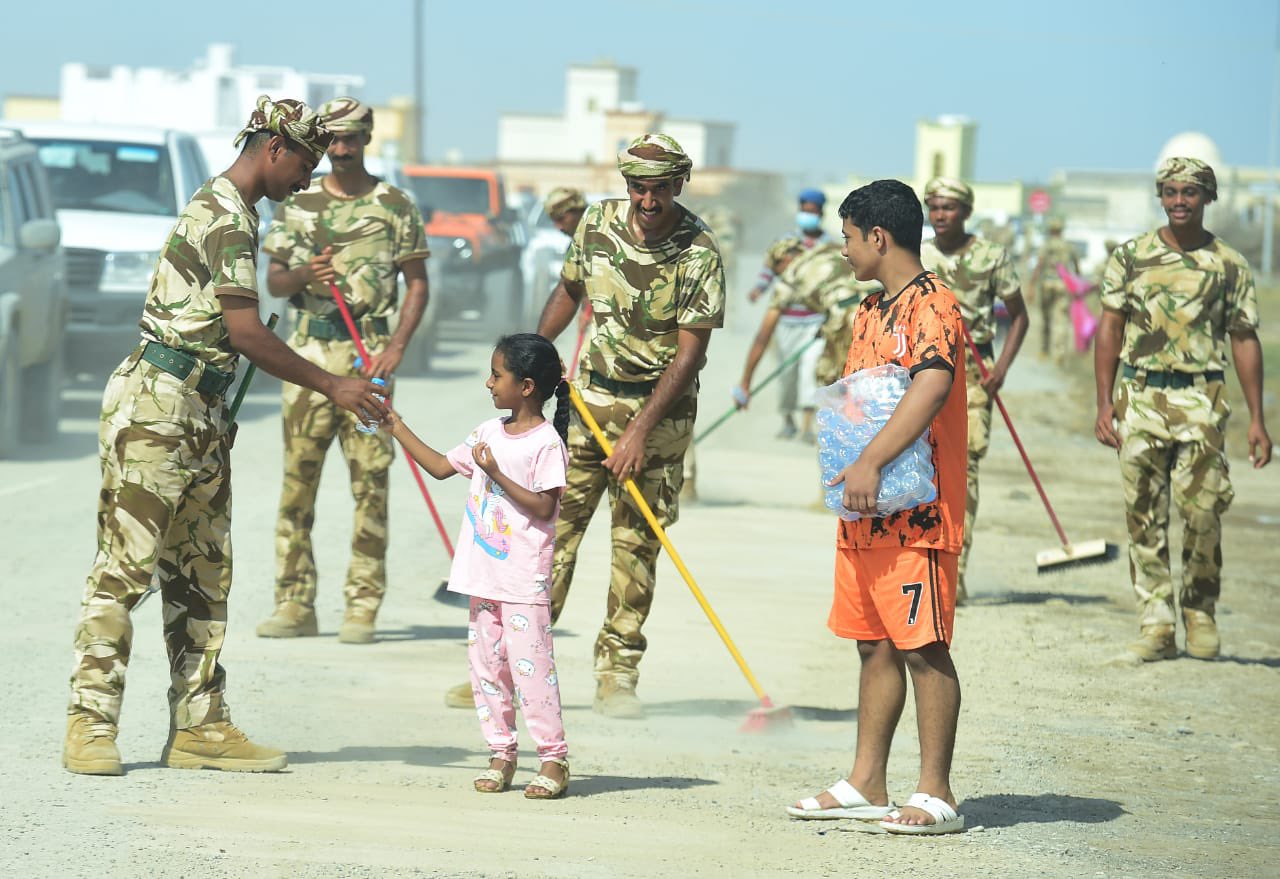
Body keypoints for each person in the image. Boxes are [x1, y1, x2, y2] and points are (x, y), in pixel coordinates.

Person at [62, 96, 388, 776]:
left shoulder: (238, 213)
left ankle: (200, 726)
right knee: (124, 570)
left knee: (203, 576)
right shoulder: (224, 217)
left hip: (202, 411)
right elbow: (246, 332)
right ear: (274, 148)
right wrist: (334, 385)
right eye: (305, 163)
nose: (307, 178)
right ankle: (89, 725)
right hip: (160, 410)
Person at [788, 179, 967, 835]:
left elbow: (933, 383)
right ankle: (866, 779)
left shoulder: (932, 305)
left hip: (917, 516)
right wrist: (846, 469)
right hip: (865, 512)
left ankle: (937, 791)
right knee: (873, 645)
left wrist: (872, 461)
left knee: (923, 647)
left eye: (846, 237)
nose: (841, 249)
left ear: (878, 237)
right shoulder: (869, 311)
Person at [534, 133, 725, 718]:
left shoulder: (698, 251)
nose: (648, 199)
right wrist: (530, 359)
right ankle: (518, 664)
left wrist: (640, 431)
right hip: (587, 409)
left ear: (679, 184)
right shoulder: (596, 224)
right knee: (550, 540)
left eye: (660, 187)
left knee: (634, 547)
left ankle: (618, 672)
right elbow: (569, 292)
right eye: (638, 187)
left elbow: (689, 354)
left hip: (657, 421)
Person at [255, 97, 431, 645]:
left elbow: (417, 283)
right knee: (298, 484)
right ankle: (294, 601)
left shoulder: (396, 204)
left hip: (369, 356)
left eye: (352, 137)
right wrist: (306, 272)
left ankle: (362, 603)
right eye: (333, 139)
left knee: (371, 484)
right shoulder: (299, 203)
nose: (342, 148)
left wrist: (398, 345)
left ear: (368, 137)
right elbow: (275, 282)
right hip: (309, 356)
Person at [1094, 157, 1272, 663]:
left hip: (1202, 399)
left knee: (1202, 511)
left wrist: (1257, 418)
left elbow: (1243, 338)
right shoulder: (1132, 257)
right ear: (1160, 196)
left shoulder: (1228, 264)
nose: (1179, 201)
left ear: (1207, 198)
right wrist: (1104, 401)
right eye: (1170, 192)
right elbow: (1109, 328)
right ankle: (1156, 622)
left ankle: (1200, 611)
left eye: (1189, 193)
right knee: (1143, 515)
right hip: (1143, 396)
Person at [387, 333, 571, 797]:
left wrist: (494, 474)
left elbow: (544, 507)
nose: (488, 383)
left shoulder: (546, 444)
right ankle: (501, 753)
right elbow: (440, 466)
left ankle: (553, 760)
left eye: (497, 374)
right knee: (487, 670)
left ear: (526, 386)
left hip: (521, 583)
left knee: (532, 673)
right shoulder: (487, 432)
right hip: (484, 578)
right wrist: (394, 424)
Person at [920, 177, 1030, 603]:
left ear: (966, 212)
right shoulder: (919, 253)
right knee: (919, 463)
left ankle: (955, 569)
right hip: (922, 365)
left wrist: (1001, 368)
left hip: (973, 368)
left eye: (950, 207)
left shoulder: (991, 256)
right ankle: (922, 559)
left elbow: (1019, 315)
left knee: (963, 470)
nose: (942, 214)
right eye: (935, 206)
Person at [748, 188, 832, 439]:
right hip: (787, 323)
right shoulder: (785, 242)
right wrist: (758, 290)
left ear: (821, 213)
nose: (807, 215)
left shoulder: (828, 247)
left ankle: (807, 426)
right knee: (787, 375)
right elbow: (770, 270)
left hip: (816, 323)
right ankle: (788, 420)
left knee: (810, 372)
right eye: (804, 210)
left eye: (812, 211)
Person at [1029, 216, 1080, 364]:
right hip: (1063, 286)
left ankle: (1045, 350)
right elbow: (1076, 268)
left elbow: (1038, 266)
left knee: (1046, 319)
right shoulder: (1069, 247)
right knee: (1061, 320)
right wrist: (1077, 285)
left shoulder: (1046, 246)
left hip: (1046, 285)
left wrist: (1031, 286)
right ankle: (1059, 354)